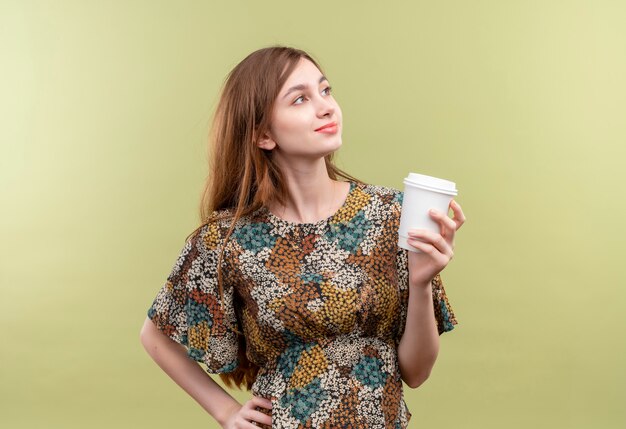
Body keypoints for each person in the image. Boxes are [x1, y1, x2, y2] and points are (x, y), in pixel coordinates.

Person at [139, 46, 466, 429]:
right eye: (300, 99)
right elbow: (155, 335)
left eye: (325, 91)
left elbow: (416, 372)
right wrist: (225, 411)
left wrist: (421, 281)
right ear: (263, 134)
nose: (326, 107)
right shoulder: (228, 239)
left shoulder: (392, 213)